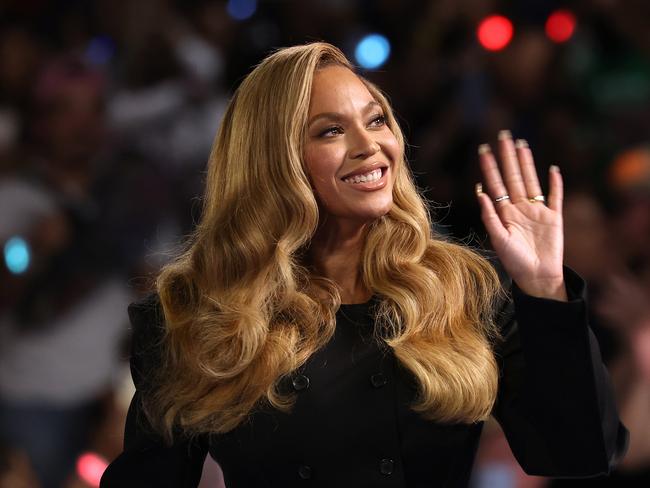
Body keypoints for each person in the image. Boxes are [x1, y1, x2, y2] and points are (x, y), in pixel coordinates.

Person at [100, 42, 628, 487]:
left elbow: (577, 453)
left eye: (376, 120)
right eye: (330, 131)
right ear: (274, 158)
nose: (369, 145)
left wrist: (544, 287)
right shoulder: (196, 312)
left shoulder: (460, 289)